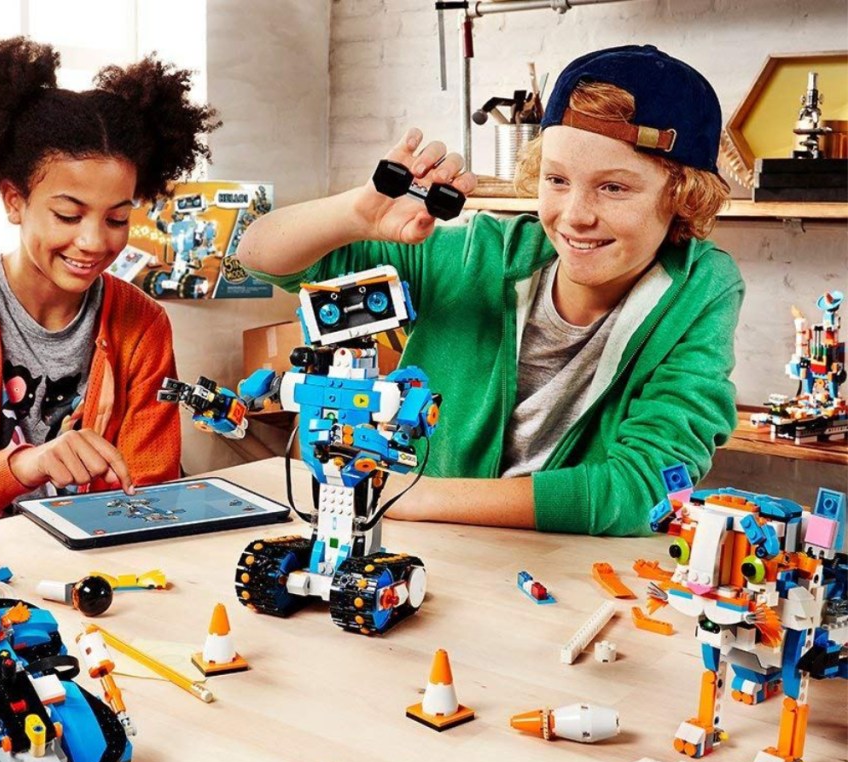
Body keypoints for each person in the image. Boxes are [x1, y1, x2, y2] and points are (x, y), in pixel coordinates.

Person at [234, 45, 743, 536]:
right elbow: (259, 255)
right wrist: (355, 215)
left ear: (683, 196)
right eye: (557, 180)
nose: (575, 216)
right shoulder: (477, 255)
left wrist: (414, 496)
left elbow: (647, 489)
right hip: (441, 559)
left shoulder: (700, 290)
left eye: (614, 188)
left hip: (570, 576)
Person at [0, 36, 219, 523]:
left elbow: (148, 492)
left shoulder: (142, 325)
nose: (94, 242)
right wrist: (23, 466)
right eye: (67, 214)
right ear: (14, 201)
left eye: (118, 219)